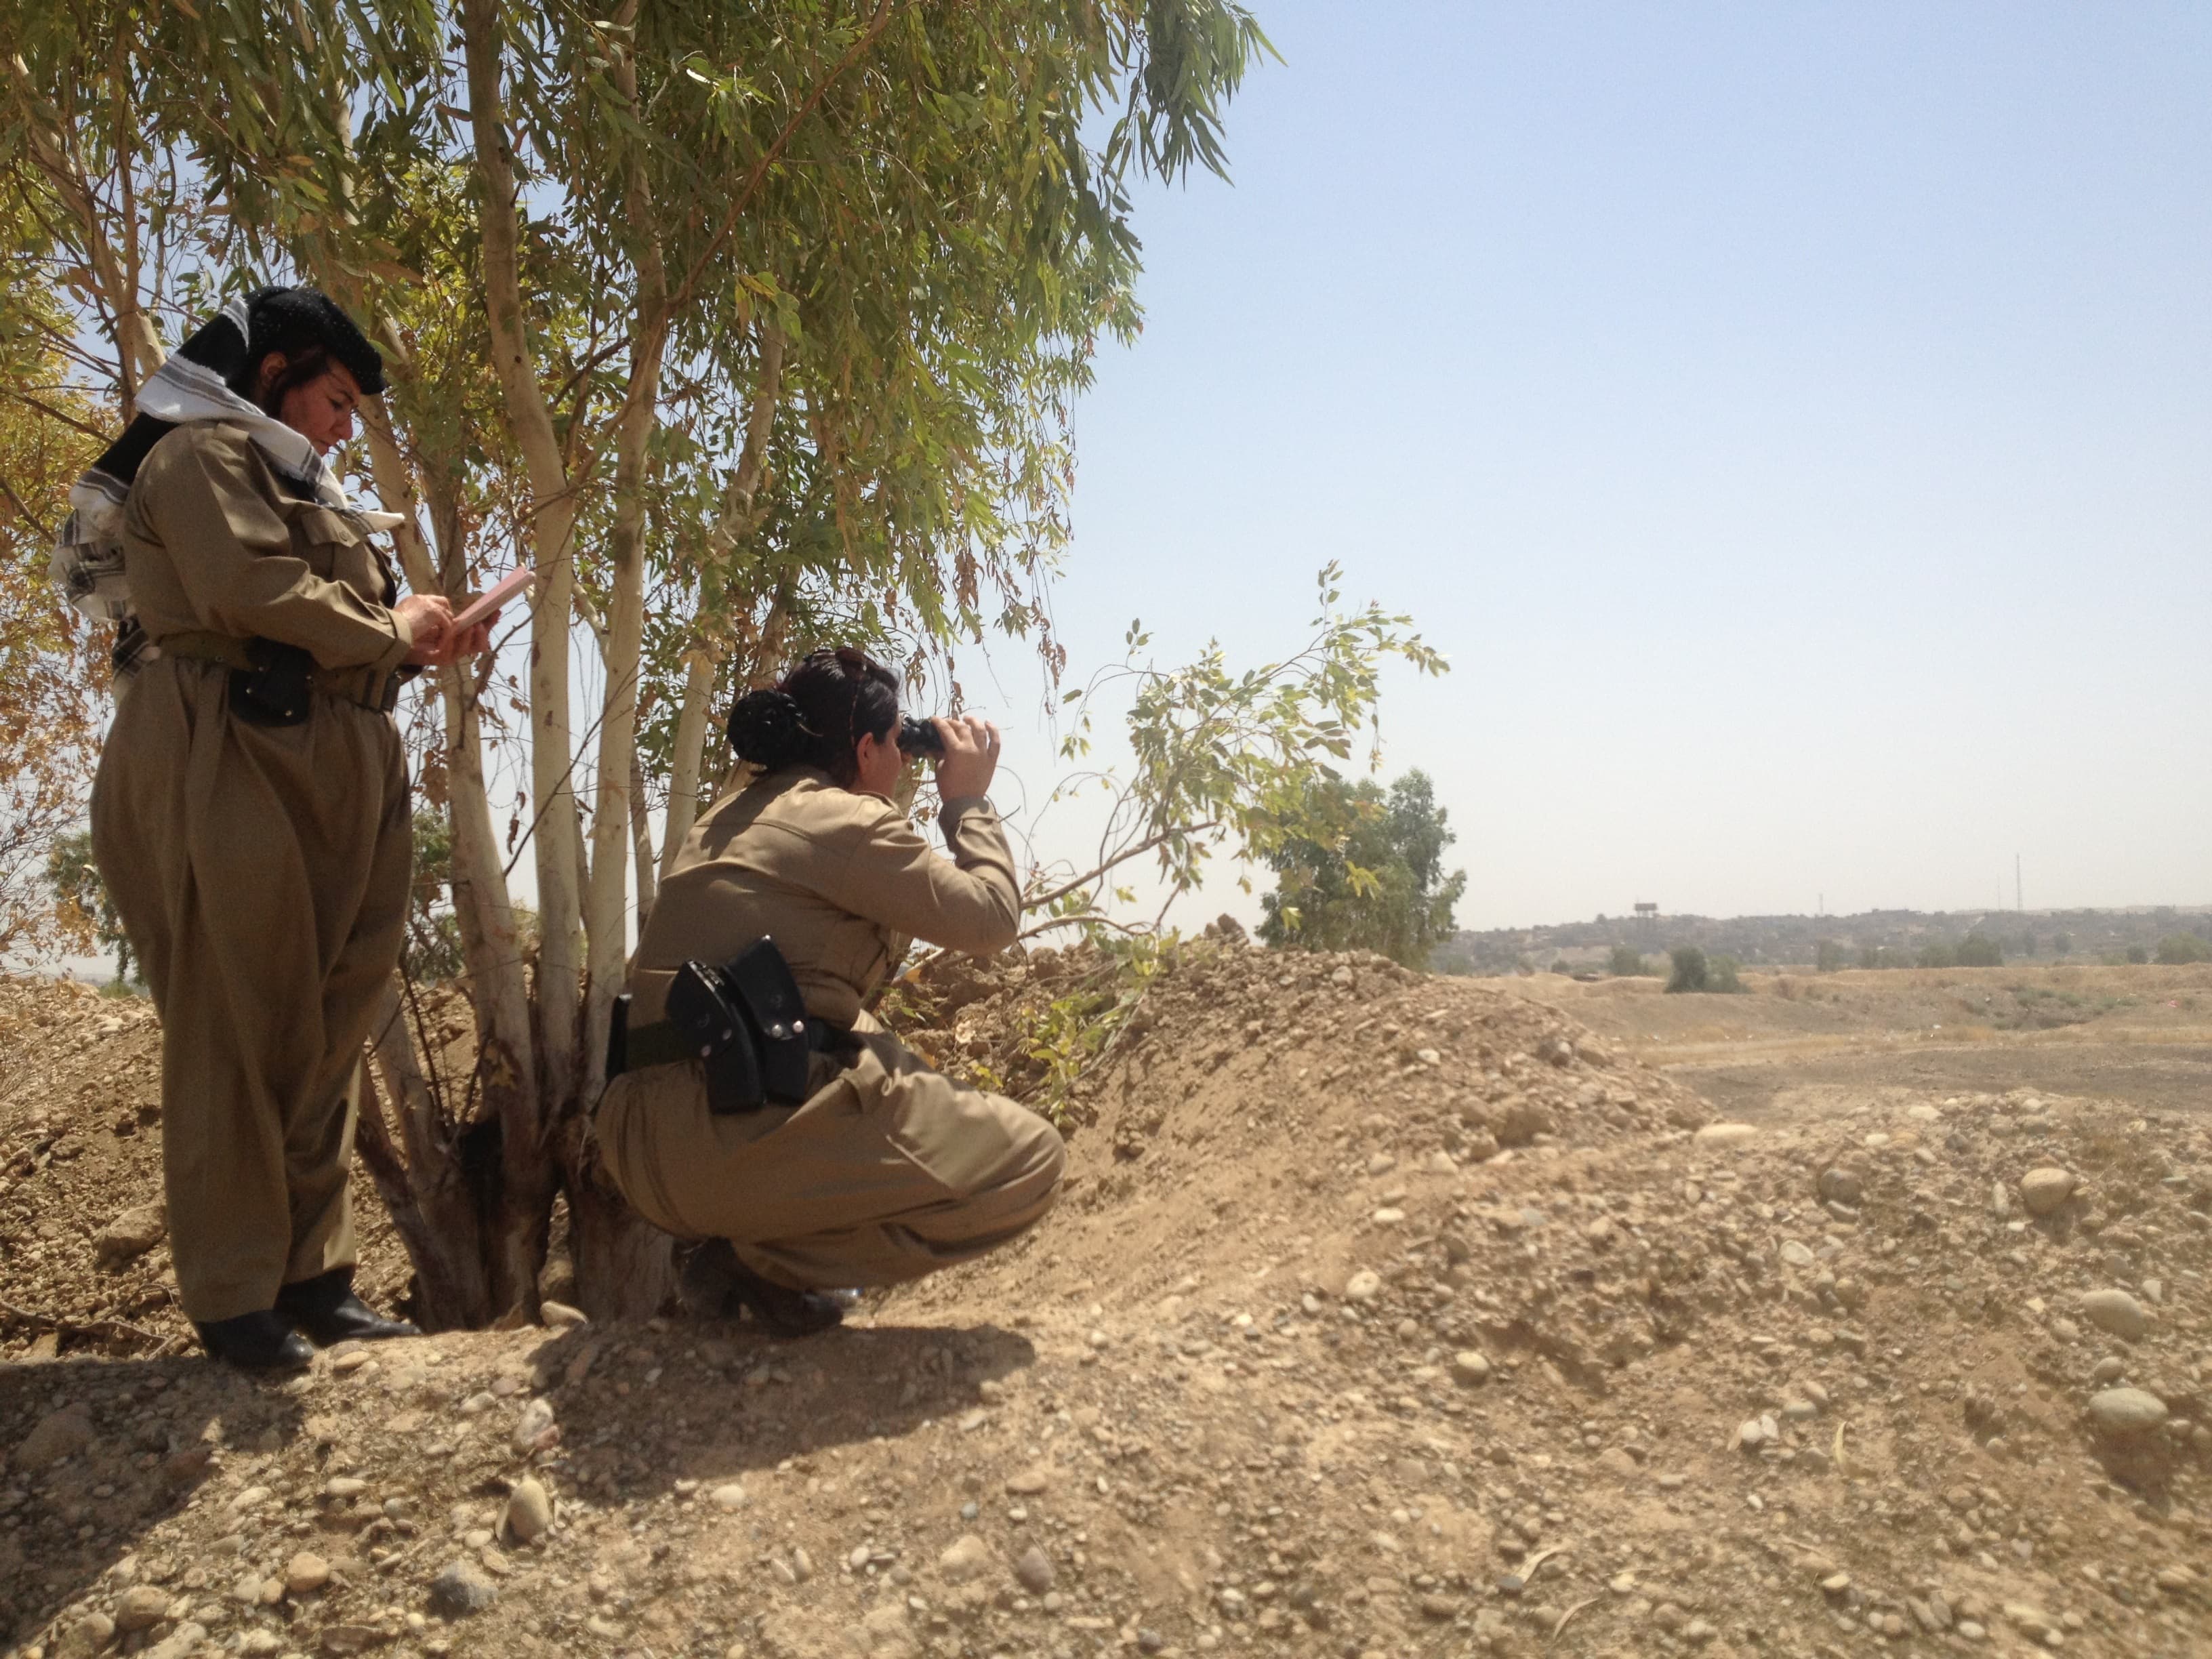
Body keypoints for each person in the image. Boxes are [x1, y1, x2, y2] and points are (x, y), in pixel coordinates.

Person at [79, 287, 495, 1368]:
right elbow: (254, 590)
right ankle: (233, 1298)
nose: (345, 426)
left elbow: (343, 624)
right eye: (335, 397)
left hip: (333, 757)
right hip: (233, 751)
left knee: (329, 1022)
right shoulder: (202, 456)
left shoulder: (299, 482)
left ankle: (315, 1281)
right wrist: (392, 625)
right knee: (236, 1019)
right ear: (273, 377)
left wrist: (416, 637)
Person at [596, 648, 1065, 1334]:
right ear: (869, 748)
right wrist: (966, 800)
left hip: (638, 1148)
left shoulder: (718, 822)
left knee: (871, 1039)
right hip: (729, 1139)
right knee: (1031, 1162)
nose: (905, 763)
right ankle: (765, 1261)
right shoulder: (847, 823)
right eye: (898, 745)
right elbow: (990, 918)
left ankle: (742, 1254)